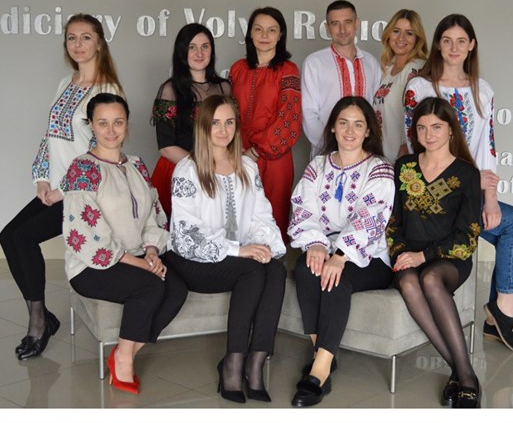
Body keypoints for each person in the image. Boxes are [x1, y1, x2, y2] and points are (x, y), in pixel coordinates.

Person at [0, 14, 122, 361]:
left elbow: (103, 151)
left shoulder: (107, 90)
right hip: (53, 188)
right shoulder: (65, 83)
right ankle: (44, 316)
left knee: (23, 238)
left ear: (99, 43)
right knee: (8, 236)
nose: (78, 44)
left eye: (86, 37)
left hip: (83, 194)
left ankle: (38, 322)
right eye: (71, 38)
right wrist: (41, 178)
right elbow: (50, 136)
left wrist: (63, 190)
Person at [405, 14, 513, 356]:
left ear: (472, 45)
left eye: (461, 41)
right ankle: (502, 315)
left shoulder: (482, 90)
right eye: (447, 40)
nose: (454, 47)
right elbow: (414, 146)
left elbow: (487, 149)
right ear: (437, 45)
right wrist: (468, 179)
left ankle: (500, 312)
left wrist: (490, 198)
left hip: (470, 195)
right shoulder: (419, 88)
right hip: (432, 196)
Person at [62, 94, 188, 394]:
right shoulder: (83, 169)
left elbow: (153, 213)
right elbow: (88, 233)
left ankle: (125, 350)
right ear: (91, 125)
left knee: (177, 287)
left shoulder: (136, 165)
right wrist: (140, 264)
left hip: (137, 255)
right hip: (92, 265)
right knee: (151, 286)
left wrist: (152, 250)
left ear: (127, 124)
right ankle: (123, 364)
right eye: (102, 123)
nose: (111, 130)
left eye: (118, 122)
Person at [168, 95, 287, 403]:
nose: (223, 130)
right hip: (193, 260)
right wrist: (238, 250)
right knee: (251, 270)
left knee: (275, 269)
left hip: (237, 257)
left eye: (229, 122)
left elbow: (261, 215)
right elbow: (186, 233)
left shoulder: (247, 166)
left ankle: (256, 362)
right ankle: (233, 363)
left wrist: (262, 246)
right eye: (216, 123)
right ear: (203, 127)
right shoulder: (188, 169)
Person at [287, 97, 395, 407]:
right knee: (305, 270)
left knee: (336, 279)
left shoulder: (379, 169)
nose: (350, 131)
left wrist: (341, 255)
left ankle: (319, 371)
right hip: (326, 246)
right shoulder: (318, 165)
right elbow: (303, 207)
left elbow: (370, 217)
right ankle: (324, 352)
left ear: (368, 131)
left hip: (369, 256)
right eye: (343, 123)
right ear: (333, 127)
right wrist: (316, 243)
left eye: (358, 124)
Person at [387, 98, 483, 408]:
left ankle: (464, 377)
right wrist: (402, 254)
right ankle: (463, 373)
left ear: (451, 129)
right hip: (408, 254)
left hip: (449, 259)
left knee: (429, 278)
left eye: (437, 127)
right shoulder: (405, 167)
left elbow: (468, 235)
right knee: (408, 281)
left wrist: (424, 256)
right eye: (422, 128)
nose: (429, 135)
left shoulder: (467, 174)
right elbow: (393, 221)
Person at [228, 7, 302, 239]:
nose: (264, 35)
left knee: (272, 217)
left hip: (273, 158)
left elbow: (289, 118)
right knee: (237, 216)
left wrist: (256, 150)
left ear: (280, 35)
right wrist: (236, 147)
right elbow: (228, 111)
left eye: (272, 30)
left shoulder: (288, 70)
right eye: (258, 29)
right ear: (250, 33)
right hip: (237, 154)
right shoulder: (238, 69)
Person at [150, 23, 232, 215]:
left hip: (217, 171)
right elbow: (166, 147)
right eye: (192, 47)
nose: (199, 53)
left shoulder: (224, 88)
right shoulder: (169, 89)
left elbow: (230, 133)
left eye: (205, 46)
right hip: (180, 169)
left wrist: (219, 167)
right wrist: (202, 167)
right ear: (182, 51)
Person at [301, 0, 383, 155]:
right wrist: (331, 147)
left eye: (348, 22)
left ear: (357, 23)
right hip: (326, 153)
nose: (342, 29)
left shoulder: (371, 63)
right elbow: (309, 114)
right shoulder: (314, 63)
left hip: (365, 153)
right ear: (327, 27)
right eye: (335, 23)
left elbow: (377, 110)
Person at [372, 9, 429, 161]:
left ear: (417, 39)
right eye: (396, 31)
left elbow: (421, 112)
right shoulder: (387, 69)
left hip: (404, 155)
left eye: (409, 33)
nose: (401, 38)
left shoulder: (417, 68)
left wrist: (407, 144)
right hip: (382, 154)